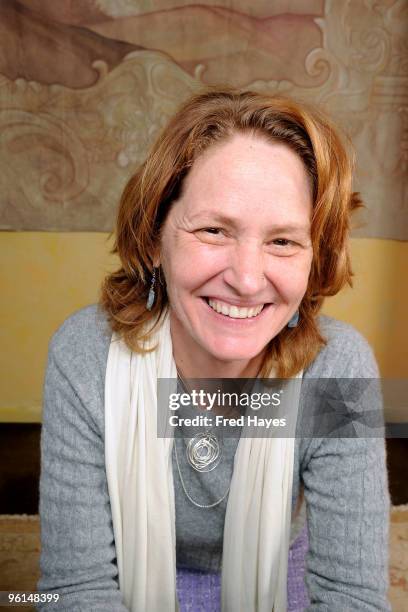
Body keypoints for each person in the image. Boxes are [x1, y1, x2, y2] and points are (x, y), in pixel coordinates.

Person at [37, 89, 391, 611]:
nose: (247, 281)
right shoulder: (85, 355)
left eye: (283, 241)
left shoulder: (338, 371)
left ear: (314, 259)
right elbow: (73, 591)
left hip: (277, 567)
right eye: (213, 230)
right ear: (155, 236)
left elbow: (352, 599)